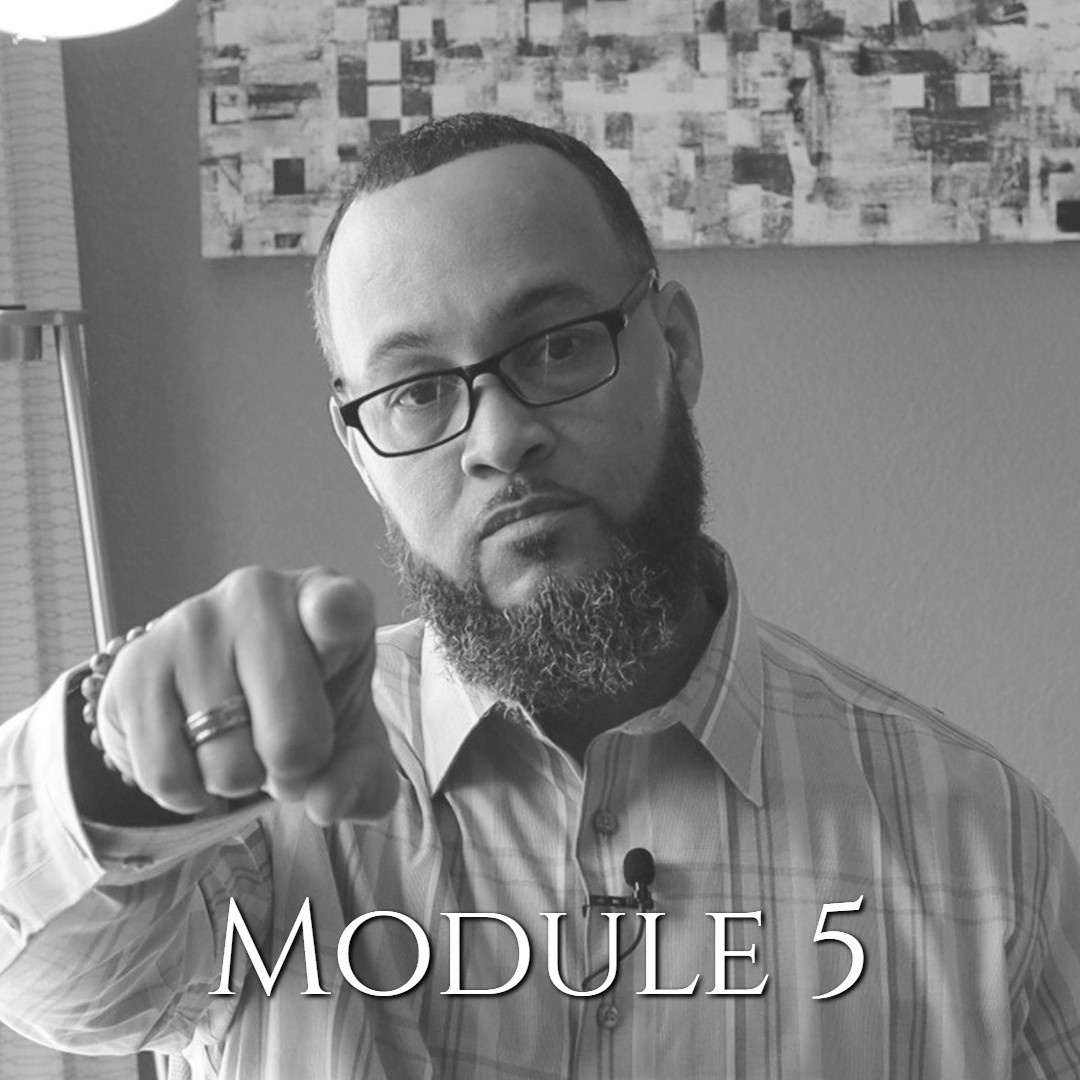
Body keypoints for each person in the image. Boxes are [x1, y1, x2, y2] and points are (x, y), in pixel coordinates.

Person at [0, 113, 1077, 1080]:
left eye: (558, 346)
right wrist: (112, 761)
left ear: (675, 348)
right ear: (362, 449)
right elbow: (50, 973)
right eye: (418, 391)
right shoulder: (253, 828)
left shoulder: (983, 846)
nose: (501, 437)